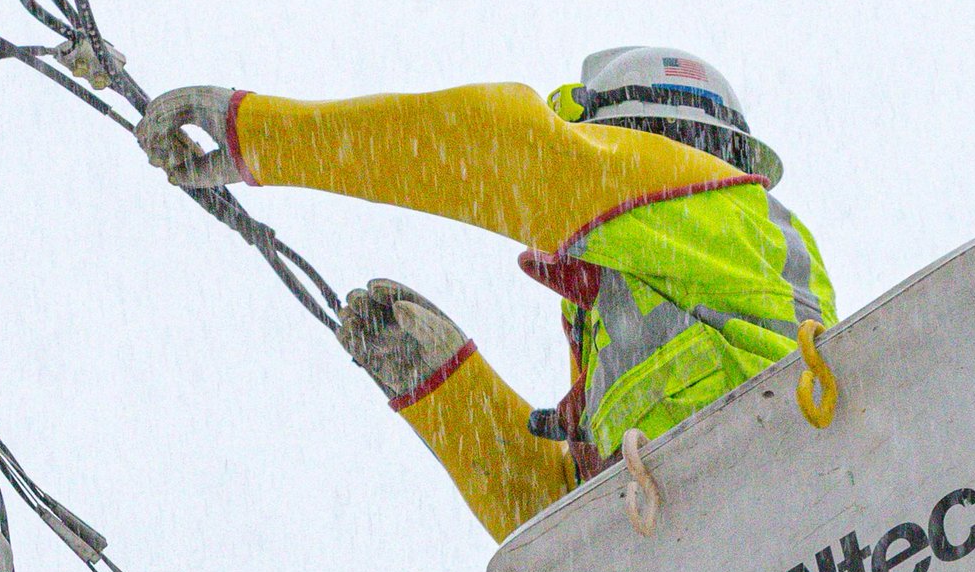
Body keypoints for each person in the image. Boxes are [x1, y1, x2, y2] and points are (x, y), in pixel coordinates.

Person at [137, 48, 834, 539]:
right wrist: (448, 392)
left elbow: (502, 147)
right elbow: (571, 531)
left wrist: (261, 136)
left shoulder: (719, 209)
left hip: (795, 538)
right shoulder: (635, 305)